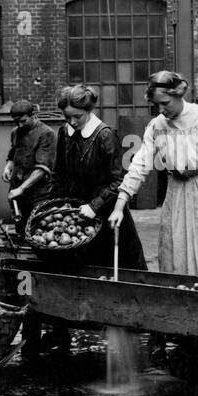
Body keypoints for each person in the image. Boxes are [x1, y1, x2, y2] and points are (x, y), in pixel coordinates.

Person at [109, 70, 198, 281]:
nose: (161, 110)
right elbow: (140, 164)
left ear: (178, 94)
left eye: (165, 103)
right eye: (157, 105)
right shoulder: (156, 126)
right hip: (177, 193)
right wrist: (120, 204)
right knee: (178, 248)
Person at [50, 85, 146, 271]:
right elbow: (59, 173)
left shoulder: (106, 136)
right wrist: (56, 204)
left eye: (77, 116)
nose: (72, 122)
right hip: (78, 213)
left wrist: (95, 205)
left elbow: (119, 180)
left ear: (89, 110)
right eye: (67, 116)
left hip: (107, 212)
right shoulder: (64, 133)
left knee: (116, 268)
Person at [2, 99, 56, 232]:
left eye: (23, 121)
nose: (20, 125)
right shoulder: (15, 132)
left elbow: (42, 169)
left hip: (38, 195)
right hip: (18, 194)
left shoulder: (46, 134)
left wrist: (21, 188)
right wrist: (8, 166)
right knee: (21, 231)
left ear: (33, 115)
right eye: (16, 122)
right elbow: (13, 152)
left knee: (39, 231)